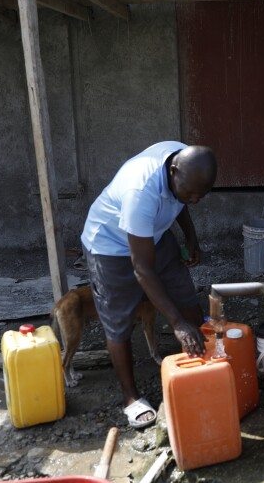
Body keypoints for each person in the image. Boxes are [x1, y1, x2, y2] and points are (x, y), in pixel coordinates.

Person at [81, 141, 216, 429]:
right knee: (119, 321)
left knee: (184, 293)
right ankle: (130, 397)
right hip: (110, 246)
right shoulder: (140, 191)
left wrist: (190, 236)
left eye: (201, 196)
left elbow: (181, 200)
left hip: (152, 233)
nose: (194, 199)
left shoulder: (182, 160)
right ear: (173, 171)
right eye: (191, 192)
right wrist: (177, 323)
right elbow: (142, 269)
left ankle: (205, 367)